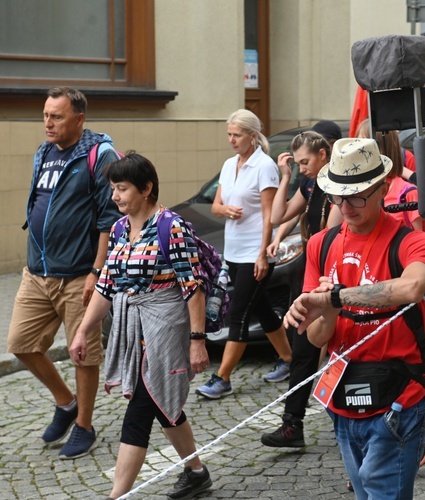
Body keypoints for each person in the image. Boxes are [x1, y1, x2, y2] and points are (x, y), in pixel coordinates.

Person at [284, 137, 425, 499]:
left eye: (356, 196)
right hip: (342, 401)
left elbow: (413, 287)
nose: (344, 206)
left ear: (381, 188)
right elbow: (318, 338)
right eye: (338, 195)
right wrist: (327, 310)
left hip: (398, 399)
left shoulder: (411, 242)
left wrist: (336, 295)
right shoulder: (320, 244)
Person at [70, 152, 212, 499]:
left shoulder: (170, 226)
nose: (115, 196)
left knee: (141, 410)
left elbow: (193, 288)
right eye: (113, 189)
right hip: (135, 328)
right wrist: (82, 331)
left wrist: (197, 340)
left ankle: (116, 495)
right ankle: (196, 472)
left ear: (146, 188)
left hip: (165, 328)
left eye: (122, 189)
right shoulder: (119, 229)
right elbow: (107, 285)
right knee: (164, 407)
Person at [6, 87, 120, 459]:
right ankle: (65, 402)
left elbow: (108, 217)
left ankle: (84, 425)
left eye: (56, 116)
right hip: (37, 271)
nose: (48, 123)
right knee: (21, 344)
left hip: (78, 275)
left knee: (83, 355)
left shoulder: (98, 154)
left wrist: (96, 271)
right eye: (45, 115)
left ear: (79, 119)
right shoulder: (43, 152)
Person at [195, 109, 293, 398]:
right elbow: (215, 206)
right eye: (229, 134)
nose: (231, 140)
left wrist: (263, 254)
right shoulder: (229, 165)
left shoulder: (265, 167)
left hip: (254, 252)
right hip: (234, 252)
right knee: (261, 309)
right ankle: (289, 360)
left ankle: (222, 378)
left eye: (236, 135)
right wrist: (225, 210)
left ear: (252, 135)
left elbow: (269, 215)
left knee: (238, 314)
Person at [260, 129, 342, 448]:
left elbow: (332, 234)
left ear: (324, 154)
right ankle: (293, 423)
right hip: (311, 269)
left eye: (305, 161)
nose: (302, 167)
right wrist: (286, 176)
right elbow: (279, 215)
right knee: (304, 347)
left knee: (334, 346)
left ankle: (344, 416)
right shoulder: (309, 182)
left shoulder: (338, 184)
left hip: (330, 273)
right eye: (298, 163)